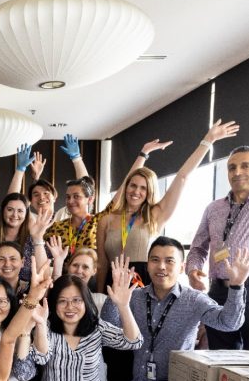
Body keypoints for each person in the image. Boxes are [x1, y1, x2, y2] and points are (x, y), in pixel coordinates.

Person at [102, 238, 249, 381]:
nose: (161, 266)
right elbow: (108, 327)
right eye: (155, 260)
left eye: (169, 261)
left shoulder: (194, 300)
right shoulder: (137, 296)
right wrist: (116, 300)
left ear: (181, 267)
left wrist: (237, 286)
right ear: (148, 264)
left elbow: (228, 323)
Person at [97, 120, 239, 292]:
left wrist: (208, 140)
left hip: (145, 285)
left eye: (143, 188)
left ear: (149, 192)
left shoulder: (156, 214)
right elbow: (102, 264)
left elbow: (182, 176)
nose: (136, 191)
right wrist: (98, 296)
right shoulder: (106, 220)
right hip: (112, 285)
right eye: (133, 185)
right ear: (126, 186)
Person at [27, 262, 143, 381]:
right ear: (54, 304)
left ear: (86, 302)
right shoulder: (45, 325)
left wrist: (123, 306)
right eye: (62, 301)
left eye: (76, 300)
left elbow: (134, 342)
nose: (70, 307)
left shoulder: (97, 328)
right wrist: (39, 325)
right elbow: (40, 357)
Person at [187, 144, 249, 349]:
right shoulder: (214, 208)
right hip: (218, 293)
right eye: (232, 168)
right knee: (221, 362)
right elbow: (198, 247)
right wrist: (192, 270)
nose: (237, 172)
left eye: (245, 166)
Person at [45, 177, 99, 252]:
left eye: (76, 196)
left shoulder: (98, 224)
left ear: (90, 199)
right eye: (68, 197)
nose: (70, 201)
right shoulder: (57, 227)